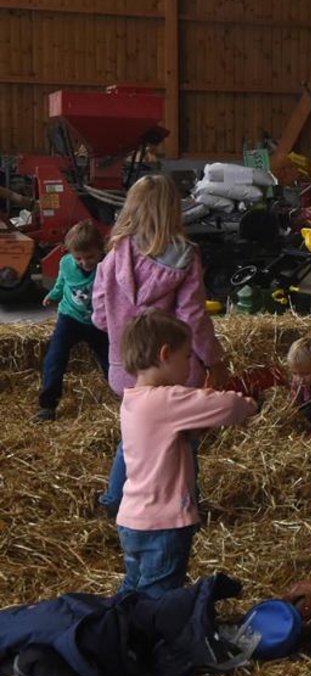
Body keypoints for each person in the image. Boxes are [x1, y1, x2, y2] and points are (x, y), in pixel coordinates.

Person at [92, 175, 229, 516]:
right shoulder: (184, 257)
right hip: (173, 371)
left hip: (127, 369)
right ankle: (187, 502)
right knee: (182, 436)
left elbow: (97, 315)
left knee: (135, 434)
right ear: (172, 210)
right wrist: (214, 359)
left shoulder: (112, 258)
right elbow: (193, 317)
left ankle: (114, 499)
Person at [114, 310, 256, 596]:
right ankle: (146, 639)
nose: (191, 365)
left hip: (132, 519)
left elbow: (166, 439)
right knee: (158, 599)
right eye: (188, 357)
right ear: (166, 354)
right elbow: (231, 407)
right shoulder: (167, 399)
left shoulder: (133, 400)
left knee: (132, 590)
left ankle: (115, 630)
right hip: (164, 523)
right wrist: (249, 403)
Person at [34, 221, 109, 422]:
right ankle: (47, 405)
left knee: (110, 360)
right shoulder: (66, 262)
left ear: (101, 250)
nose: (85, 262)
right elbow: (61, 282)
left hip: (98, 321)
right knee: (55, 356)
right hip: (70, 317)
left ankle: (124, 396)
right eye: (79, 258)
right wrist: (53, 295)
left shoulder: (107, 265)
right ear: (70, 253)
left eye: (90, 256)